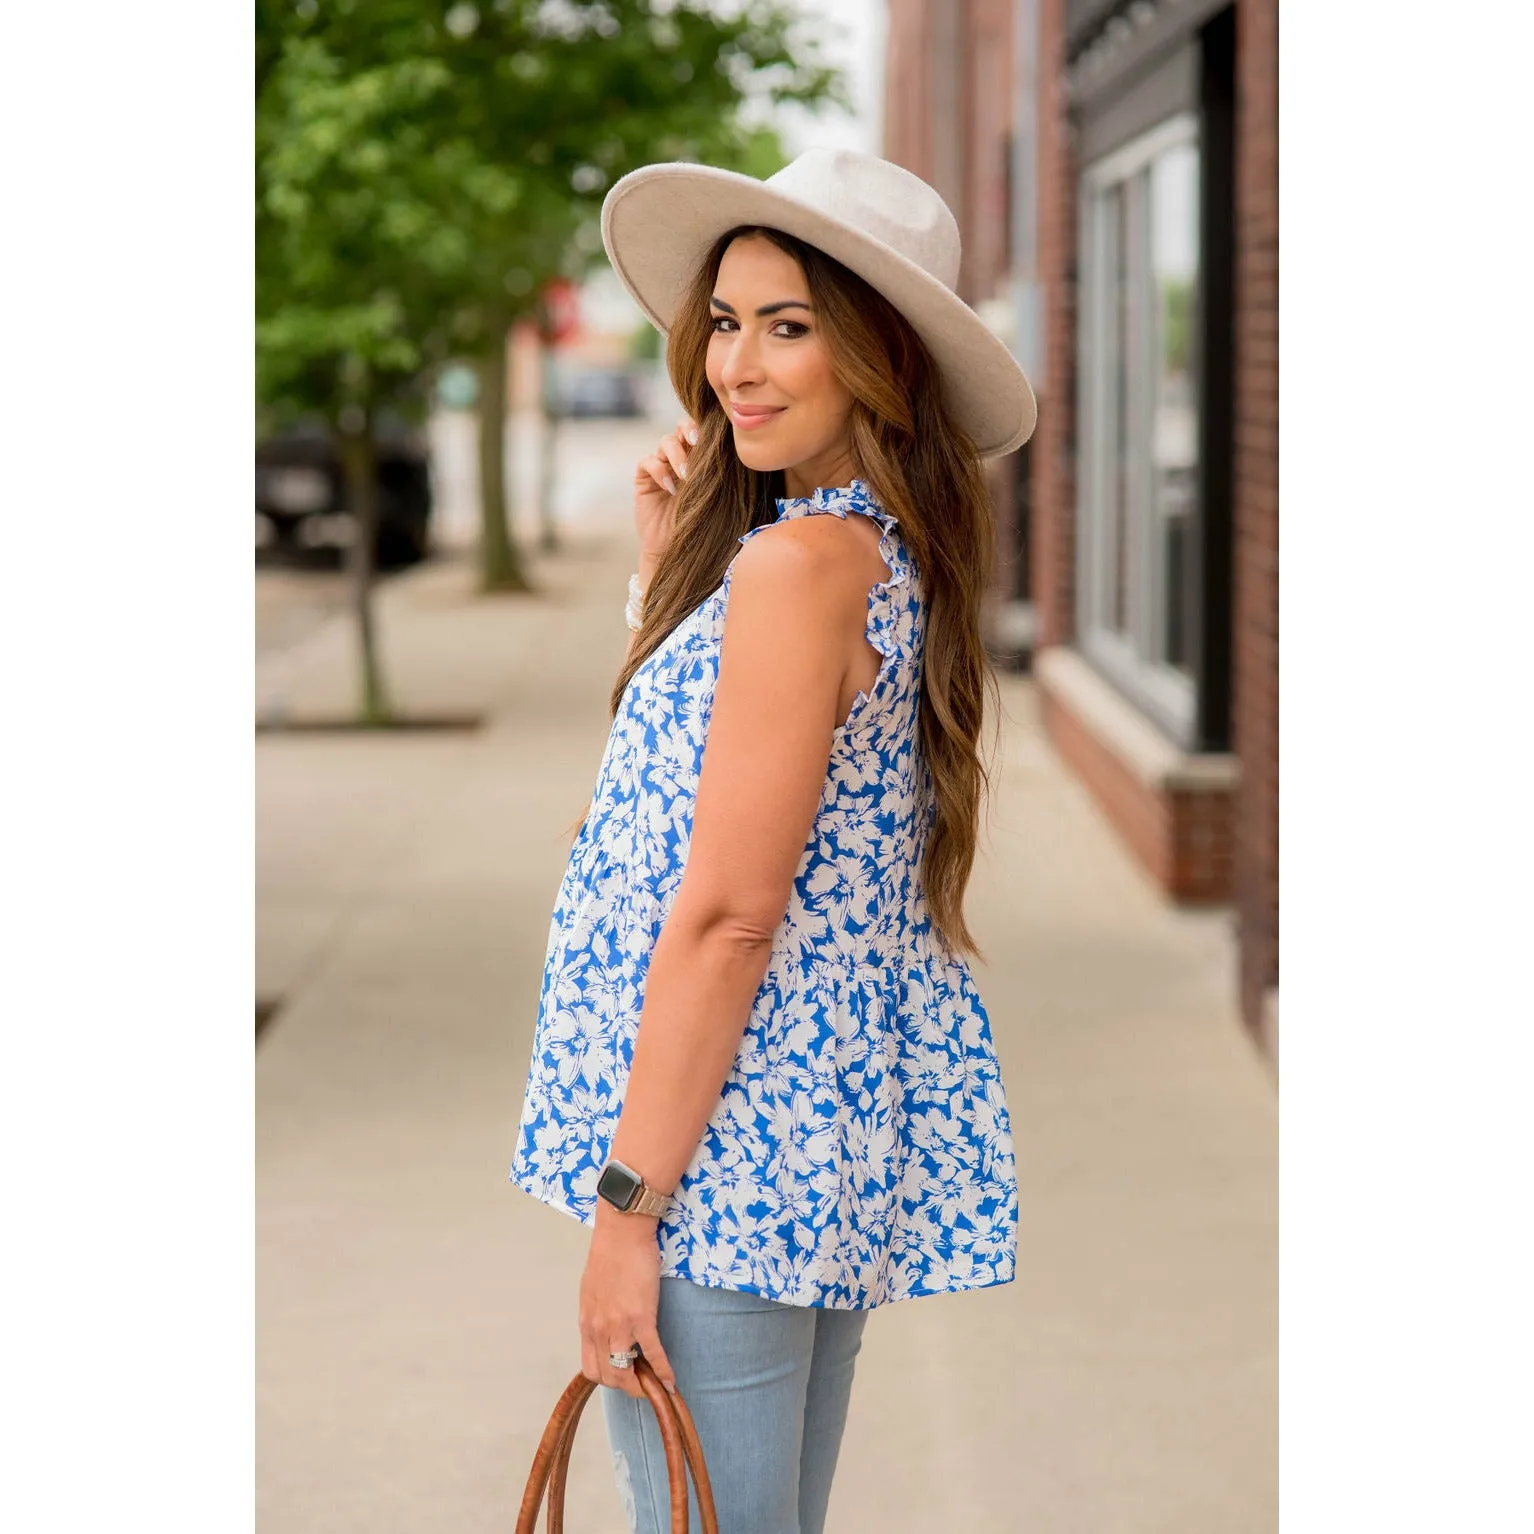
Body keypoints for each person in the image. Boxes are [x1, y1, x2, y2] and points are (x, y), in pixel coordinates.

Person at [510, 147, 1038, 1534]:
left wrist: (627, 1213)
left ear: (882, 359)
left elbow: (729, 910)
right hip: (795, 1160)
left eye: (788, 326)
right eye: (727, 323)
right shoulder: (858, 551)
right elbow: (668, 802)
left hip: (720, 1163)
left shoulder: (796, 571)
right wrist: (658, 582)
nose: (737, 365)